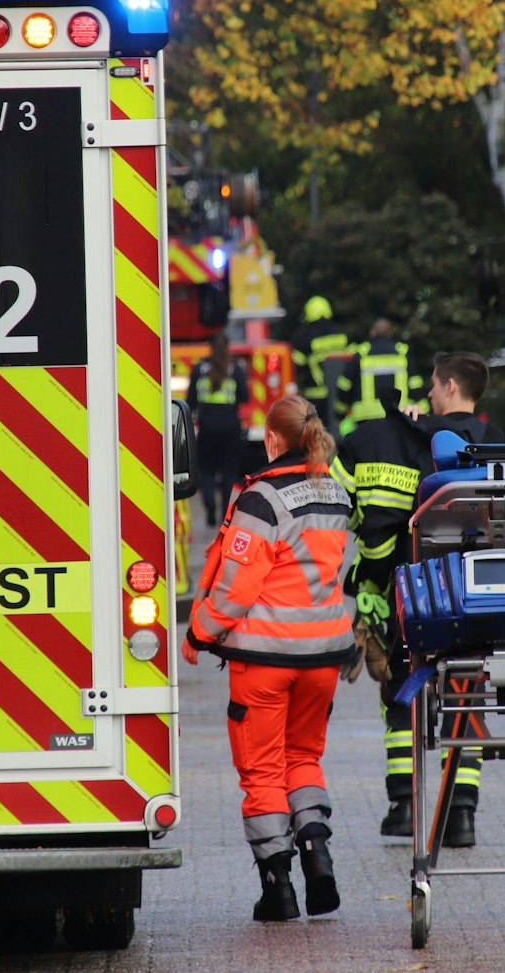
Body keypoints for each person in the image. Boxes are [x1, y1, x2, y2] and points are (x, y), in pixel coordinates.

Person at [184, 395, 356, 922]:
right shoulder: (336, 493)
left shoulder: (261, 500)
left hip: (265, 659)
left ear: (274, 438)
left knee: (261, 772)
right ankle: (317, 854)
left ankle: (278, 886)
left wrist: (198, 632)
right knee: (303, 760)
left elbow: (236, 589)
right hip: (323, 656)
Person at [330, 350, 501, 846]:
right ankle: (461, 815)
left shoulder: (413, 443)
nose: (426, 392)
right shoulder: (496, 445)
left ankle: (405, 808)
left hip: (418, 598)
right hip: (480, 599)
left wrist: (369, 588)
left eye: (432, 384)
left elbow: (389, 520)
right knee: (468, 695)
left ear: (449, 386)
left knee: (403, 692)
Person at [187, 332, 250, 525]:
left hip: (207, 425)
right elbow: (245, 396)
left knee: (206, 469)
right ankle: (225, 513)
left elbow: (191, 400)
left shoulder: (200, 368)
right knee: (229, 472)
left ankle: (209, 503)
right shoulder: (236, 369)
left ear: (210, 346)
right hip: (231, 425)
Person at [336, 318, 425, 435]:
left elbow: (344, 386)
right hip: (398, 418)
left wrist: (339, 413)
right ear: (390, 333)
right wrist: (424, 415)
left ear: (372, 332)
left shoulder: (361, 354)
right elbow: (416, 386)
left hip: (365, 421)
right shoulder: (403, 353)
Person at [290, 296, 353, 436]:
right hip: (340, 393)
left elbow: (296, 367)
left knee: (316, 435)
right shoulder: (341, 334)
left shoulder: (305, 338)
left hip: (316, 397)